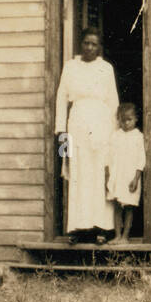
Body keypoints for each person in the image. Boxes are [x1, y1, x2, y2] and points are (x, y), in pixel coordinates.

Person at [55, 27, 119, 243]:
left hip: (101, 125)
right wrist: (61, 133)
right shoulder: (71, 67)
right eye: (86, 43)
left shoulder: (106, 68)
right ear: (80, 44)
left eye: (94, 44)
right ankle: (78, 228)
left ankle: (102, 227)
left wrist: (114, 133)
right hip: (78, 125)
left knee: (100, 173)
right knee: (78, 173)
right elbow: (62, 99)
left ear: (99, 47)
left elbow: (113, 102)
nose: (89, 47)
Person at [106, 102, 145, 245]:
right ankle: (117, 235)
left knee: (129, 206)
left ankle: (125, 236)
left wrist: (136, 178)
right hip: (118, 175)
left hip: (130, 177)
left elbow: (141, 159)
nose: (126, 123)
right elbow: (109, 156)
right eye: (122, 120)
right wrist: (109, 176)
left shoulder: (138, 136)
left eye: (129, 119)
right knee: (117, 206)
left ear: (136, 119)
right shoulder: (116, 136)